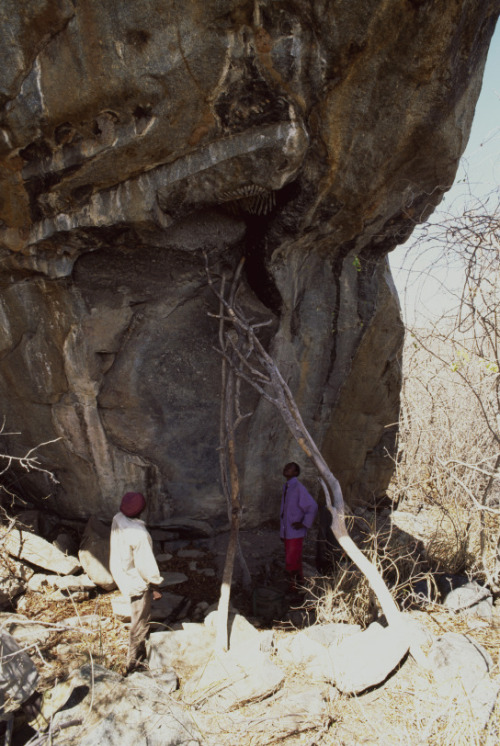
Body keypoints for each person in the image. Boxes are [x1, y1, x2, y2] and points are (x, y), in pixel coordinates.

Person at [109, 491, 163, 674]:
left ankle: (136, 655)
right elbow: (146, 565)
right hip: (135, 581)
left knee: (136, 612)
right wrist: (155, 583)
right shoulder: (140, 534)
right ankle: (134, 662)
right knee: (140, 621)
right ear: (143, 510)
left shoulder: (118, 518)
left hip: (120, 570)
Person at [280, 462, 318, 592]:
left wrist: (304, 523)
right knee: (293, 559)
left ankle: (295, 588)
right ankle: (297, 586)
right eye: (286, 467)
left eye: (289, 468)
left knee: (292, 560)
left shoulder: (298, 488)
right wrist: (282, 533)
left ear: (296, 473)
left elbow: (312, 506)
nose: (286, 469)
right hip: (288, 532)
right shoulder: (288, 486)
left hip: (295, 533)